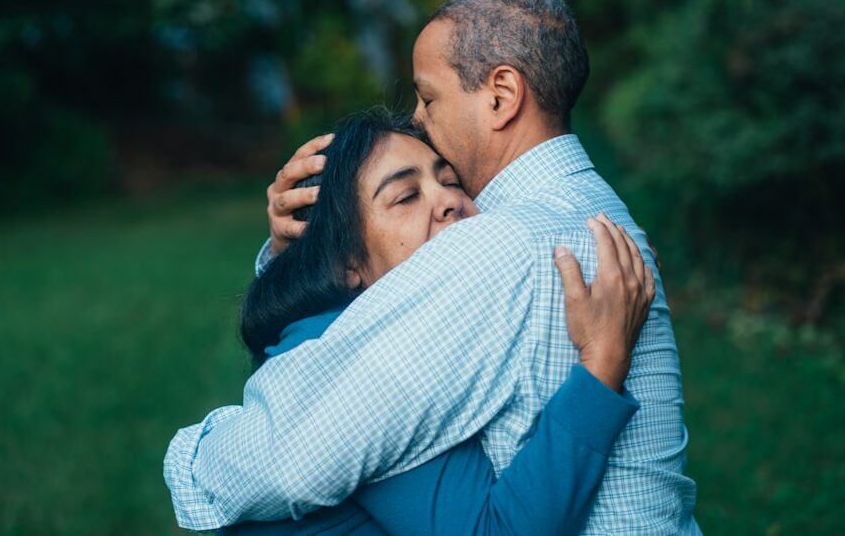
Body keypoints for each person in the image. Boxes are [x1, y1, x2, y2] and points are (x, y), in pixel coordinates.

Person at [166, 0, 700, 533]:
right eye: (405, 194)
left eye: (428, 97)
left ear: (501, 95)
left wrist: (194, 458)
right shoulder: (599, 217)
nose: (419, 119)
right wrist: (297, 253)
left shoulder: (499, 245)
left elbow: (286, 456)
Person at [226, 111, 653, 534]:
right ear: (345, 263)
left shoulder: (367, 324)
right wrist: (602, 362)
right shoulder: (367, 365)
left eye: (450, 181)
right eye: (406, 197)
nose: (450, 200)